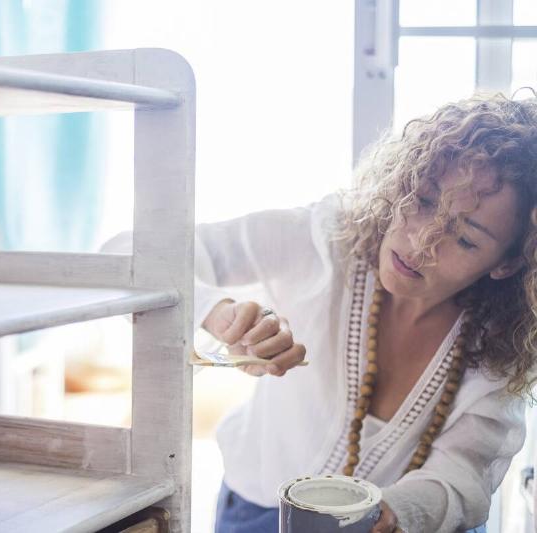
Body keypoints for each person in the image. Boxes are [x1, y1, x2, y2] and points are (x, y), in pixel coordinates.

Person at [100, 93, 537, 532]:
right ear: (405, 178)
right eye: (423, 200)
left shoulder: (503, 354)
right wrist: (223, 315)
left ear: (507, 263)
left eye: (464, 239)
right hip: (254, 512)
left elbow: (460, 481)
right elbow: (126, 256)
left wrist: (394, 513)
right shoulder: (325, 241)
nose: (421, 243)